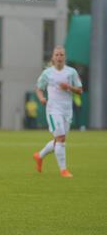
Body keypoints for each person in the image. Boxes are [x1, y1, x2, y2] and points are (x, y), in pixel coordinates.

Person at [33, 46, 83, 178]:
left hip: (67, 110)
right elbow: (38, 88)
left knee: (59, 140)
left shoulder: (71, 72)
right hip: (53, 109)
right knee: (60, 138)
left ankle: (39, 156)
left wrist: (69, 87)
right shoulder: (47, 73)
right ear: (53, 58)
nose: (59, 57)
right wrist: (41, 98)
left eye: (61, 55)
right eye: (57, 55)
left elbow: (80, 90)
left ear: (64, 57)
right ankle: (63, 170)